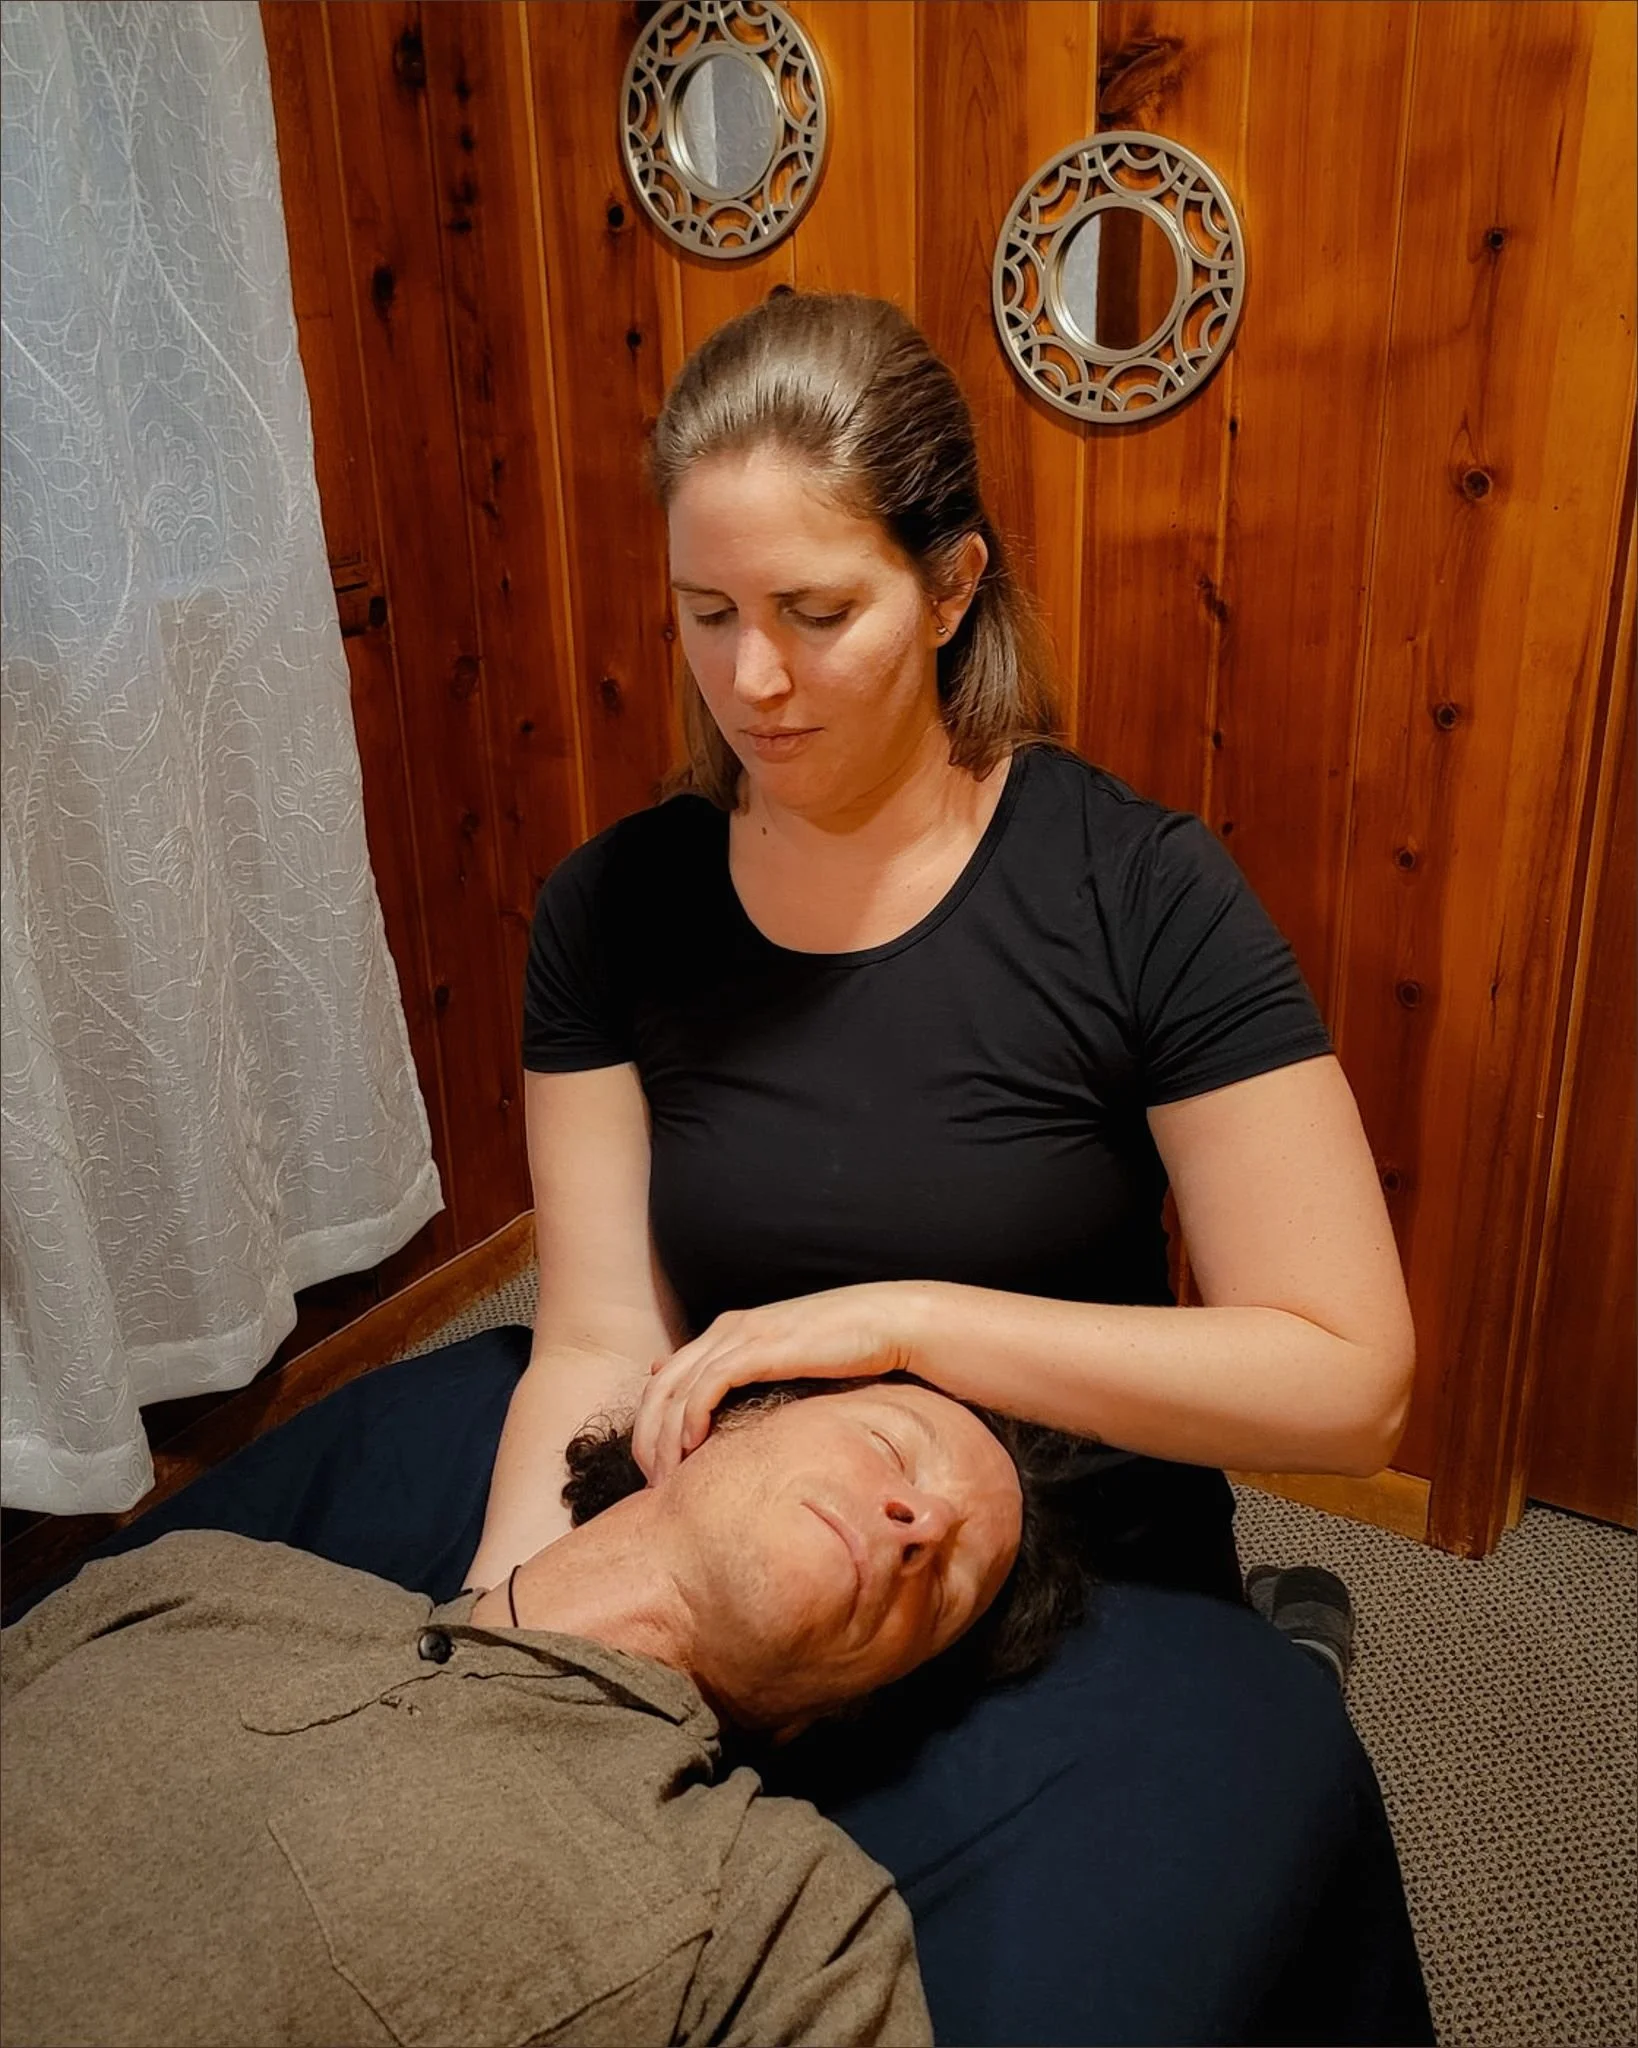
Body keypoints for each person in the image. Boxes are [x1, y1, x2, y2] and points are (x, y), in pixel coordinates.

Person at [456, 287, 1432, 2046]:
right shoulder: (609, 911)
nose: (751, 676)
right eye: (706, 613)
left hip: (1078, 1573)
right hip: (775, 1562)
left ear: (952, 585)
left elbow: (1347, 1378)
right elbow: (596, 1338)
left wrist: (898, 1318)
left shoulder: (1134, 892)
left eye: (815, 613)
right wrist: (500, 1629)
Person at [0, 1376, 1084, 2048]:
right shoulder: (210, 1579)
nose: (919, 1522)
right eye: (894, 1446)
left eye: (941, 1581)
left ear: (830, 1709)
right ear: (713, 1419)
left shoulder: (788, 1921)